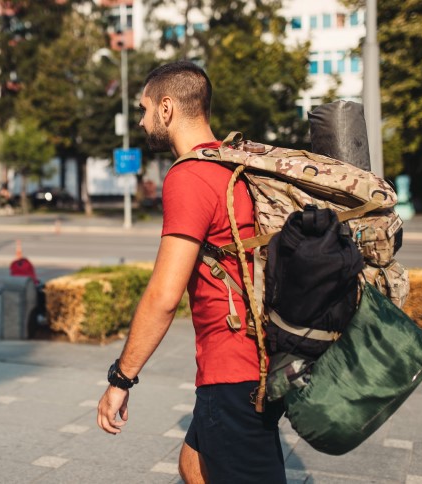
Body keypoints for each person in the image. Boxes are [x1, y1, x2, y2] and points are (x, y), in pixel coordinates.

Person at [96, 61, 286, 483]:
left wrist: (121, 378)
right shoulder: (231, 167)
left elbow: (164, 296)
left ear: (167, 108)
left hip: (235, 372)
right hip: (253, 362)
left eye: (144, 110)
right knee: (193, 464)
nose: (143, 121)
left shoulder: (189, 177)